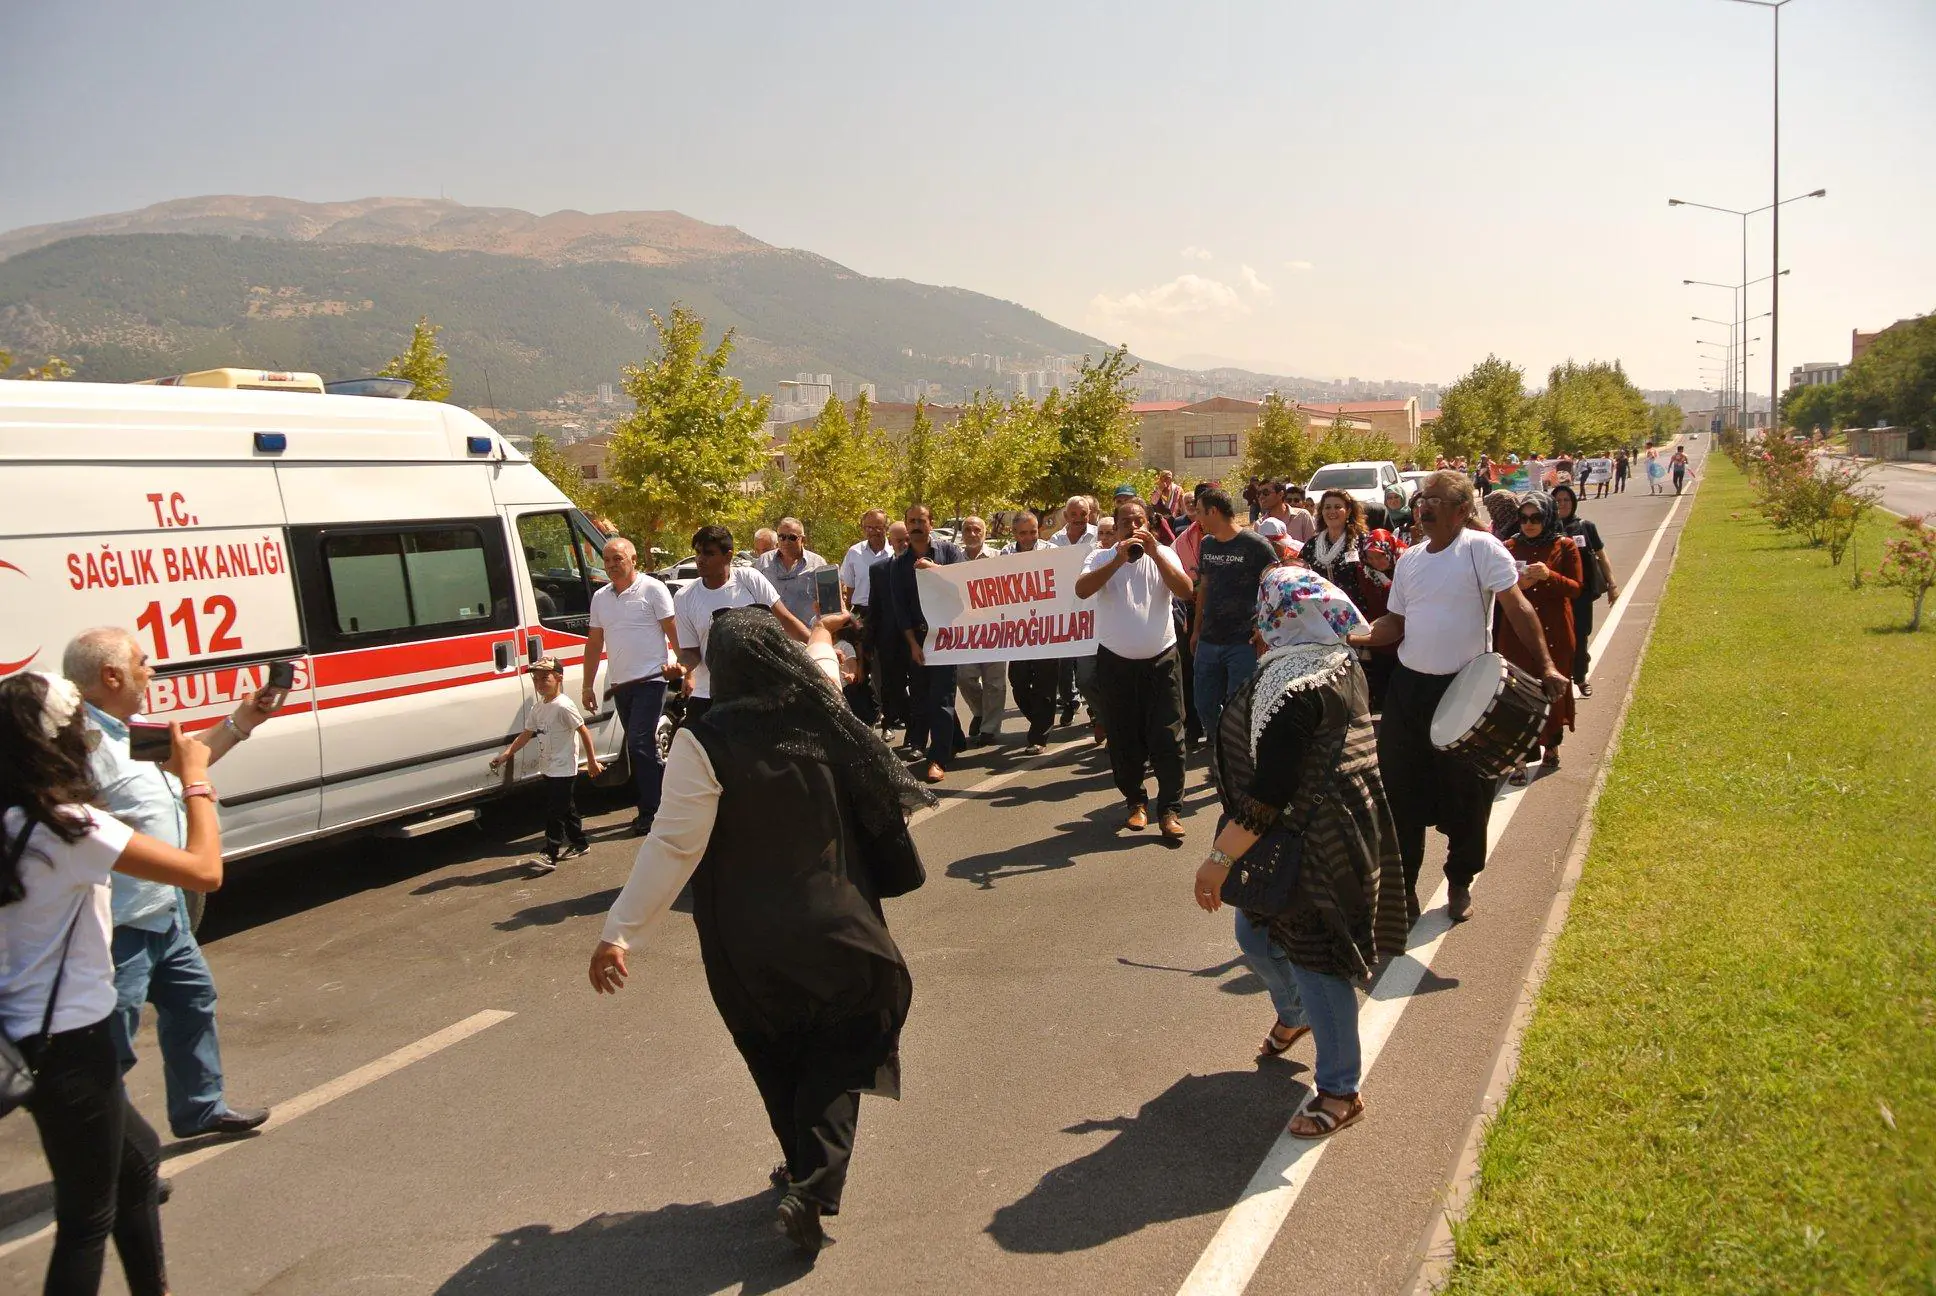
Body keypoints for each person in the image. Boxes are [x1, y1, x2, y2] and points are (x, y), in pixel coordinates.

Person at [588, 610, 931, 1257]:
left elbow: (672, 845)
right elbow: (826, 664)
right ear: (782, 656)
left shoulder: (704, 741)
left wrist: (620, 931)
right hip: (835, 919)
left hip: (744, 938)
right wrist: (825, 632)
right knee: (840, 1042)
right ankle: (812, 1183)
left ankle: (801, 1173)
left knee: (777, 1052)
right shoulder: (822, 715)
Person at [2, 671, 224, 1296]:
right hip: (72, 1041)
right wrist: (196, 782)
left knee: (137, 1162)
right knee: (86, 1218)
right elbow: (204, 872)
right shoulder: (67, 825)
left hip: (27, 1036)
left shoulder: (14, 815)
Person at [1191, 571, 1408, 1138]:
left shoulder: (1299, 684)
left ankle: (1340, 1091)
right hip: (1316, 829)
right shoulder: (1330, 660)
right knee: (1254, 935)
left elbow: (1271, 790)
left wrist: (1218, 860)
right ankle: (1295, 1016)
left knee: (1318, 959)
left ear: (1278, 614)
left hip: (1314, 839)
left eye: (1265, 609)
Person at [65, 627, 272, 1142]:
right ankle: (112, 1155)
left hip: (166, 913)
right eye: (143, 662)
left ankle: (200, 1107)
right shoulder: (82, 745)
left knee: (194, 1003)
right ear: (111, 675)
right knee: (111, 1044)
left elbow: (188, 757)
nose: (152, 671)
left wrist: (245, 718)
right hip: (120, 927)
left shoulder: (125, 728)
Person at [1347, 471, 1571, 923]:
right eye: (1421, 499)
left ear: (1463, 509)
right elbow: (1396, 622)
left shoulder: (1480, 549)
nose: (1423, 507)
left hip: (1468, 692)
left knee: (1469, 797)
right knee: (1400, 794)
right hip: (1410, 692)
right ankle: (1404, 890)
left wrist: (1546, 666)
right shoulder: (1409, 560)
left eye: (1435, 499)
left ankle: (1459, 880)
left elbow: (1518, 606)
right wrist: (1358, 634)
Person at [1075, 497, 1194, 840]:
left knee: (1168, 737)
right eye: (1125, 523)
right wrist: (1117, 559)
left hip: (1161, 659)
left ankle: (1170, 810)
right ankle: (1135, 803)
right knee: (1124, 738)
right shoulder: (1101, 556)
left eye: (1138, 521)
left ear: (1149, 523)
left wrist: (1155, 553)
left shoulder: (1164, 553)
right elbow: (1082, 590)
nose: (1132, 527)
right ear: (1114, 528)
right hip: (1116, 662)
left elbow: (1186, 591)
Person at [583, 536, 683, 835]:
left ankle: (650, 812)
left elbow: (673, 630)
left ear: (633, 559)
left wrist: (685, 667)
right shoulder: (601, 597)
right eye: (608, 560)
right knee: (643, 748)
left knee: (639, 742)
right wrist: (588, 685)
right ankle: (672, 800)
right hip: (621, 684)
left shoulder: (653, 589)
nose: (612, 565)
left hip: (651, 680)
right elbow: (594, 642)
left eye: (618, 558)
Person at [674, 525, 808, 728]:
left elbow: (785, 620)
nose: (700, 559)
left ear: (728, 556)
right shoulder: (684, 597)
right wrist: (682, 667)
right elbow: (691, 652)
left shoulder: (749, 579)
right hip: (709, 698)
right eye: (698, 552)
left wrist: (819, 644)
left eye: (709, 553)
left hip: (757, 694)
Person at [491, 658, 603, 872]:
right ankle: (580, 843)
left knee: (555, 811)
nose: (540, 683)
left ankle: (550, 853)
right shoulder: (538, 708)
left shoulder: (564, 705)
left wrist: (591, 761)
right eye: (536, 679)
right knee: (566, 807)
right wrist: (507, 754)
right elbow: (526, 735)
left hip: (564, 768)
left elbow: (583, 731)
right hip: (549, 767)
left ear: (559, 678)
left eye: (545, 678)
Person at [1500, 491, 1581, 783]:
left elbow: (1575, 588)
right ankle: (1520, 761)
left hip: (1556, 631)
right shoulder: (1508, 547)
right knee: (1519, 693)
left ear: (1547, 516)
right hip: (1517, 634)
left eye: (1535, 518)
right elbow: (1498, 590)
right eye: (1523, 518)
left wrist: (1550, 576)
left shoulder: (1565, 545)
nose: (1529, 524)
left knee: (1553, 691)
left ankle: (1552, 746)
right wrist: (1517, 583)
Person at [1191, 486, 1277, 749]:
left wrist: (1264, 628)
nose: (1197, 519)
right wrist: (1196, 630)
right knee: (1203, 703)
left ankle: (1237, 755)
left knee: (1238, 706)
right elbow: (1203, 588)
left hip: (1244, 642)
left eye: (1199, 512)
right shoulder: (1206, 544)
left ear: (1213, 511)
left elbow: (1275, 587)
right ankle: (1222, 746)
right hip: (1209, 639)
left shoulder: (1256, 545)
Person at [890, 506, 966, 783]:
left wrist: (933, 569)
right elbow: (901, 610)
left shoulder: (948, 553)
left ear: (931, 524)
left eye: (922, 520)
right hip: (919, 639)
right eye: (912, 521)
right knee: (923, 697)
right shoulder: (898, 565)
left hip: (947, 635)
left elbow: (964, 585)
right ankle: (956, 740)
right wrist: (912, 644)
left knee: (941, 698)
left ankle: (937, 758)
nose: (917, 525)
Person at [1551, 485, 1619, 696]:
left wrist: (1612, 585)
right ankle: (1558, 679)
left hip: (1581, 594)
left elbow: (1601, 555)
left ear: (1573, 503)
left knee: (1581, 637)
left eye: (1566, 500)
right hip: (1556, 594)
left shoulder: (1585, 527)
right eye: (1557, 501)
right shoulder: (1545, 528)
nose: (1562, 504)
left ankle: (1580, 677)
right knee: (1556, 637)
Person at [1046, 497, 1104, 738]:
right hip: (1064, 609)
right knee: (1064, 667)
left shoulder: (1099, 536)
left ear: (1090, 514)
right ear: (1065, 516)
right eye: (1074, 514)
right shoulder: (1054, 541)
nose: (1079, 519)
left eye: (1084, 514)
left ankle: (1099, 713)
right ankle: (1072, 702)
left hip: (1094, 610)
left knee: (1087, 674)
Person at [1002, 511, 1058, 754]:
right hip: (1018, 631)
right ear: (1014, 533)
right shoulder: (1004, 555)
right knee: (1019, 681)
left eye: (1032, 532)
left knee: (1046, 684)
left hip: (1046, 628)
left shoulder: (1052, 551)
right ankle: (1038, 719)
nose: (1028, 537)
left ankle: (1038, 736)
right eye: (1023, 532)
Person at [953, 516, 1008, 747]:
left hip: (996, 627)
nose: (973, 534)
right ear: (962, 533)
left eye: (978, 529)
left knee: (995, 682)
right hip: (965, 630)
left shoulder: (999, 557)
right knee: (964, 677)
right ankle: (980, 711)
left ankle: (989, 728)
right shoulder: (953, 558)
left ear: (985, 533)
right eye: (968, 529)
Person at [867, 522, 912, 738]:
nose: (903, 544)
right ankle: (889, 724)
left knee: (920, 687)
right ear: (890, 541)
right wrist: (868, 642)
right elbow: (874, 606)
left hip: (917, 638)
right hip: (888, 638)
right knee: (891, 686)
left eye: (906, 539)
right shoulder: (879, 569)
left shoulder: (921, 566)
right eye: (898, 540)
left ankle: (915, 733)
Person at [1355, 528, 1405, 711]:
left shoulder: (1405, 568)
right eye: (1371, 557)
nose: (1376, 562)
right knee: (1382, 678)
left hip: (1404, 634)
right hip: (1379, 635)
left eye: (1381, 556)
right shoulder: (1364, 572)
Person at [756, 518, 830, 627]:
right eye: (782, 537)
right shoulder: (763, 561)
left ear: (803, 540)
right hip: (770, 633)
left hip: (806, 635)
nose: (786, 542)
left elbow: (829, 604)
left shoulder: (818, 563)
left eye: (792, 538)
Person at [1302, 490, 1371, 597]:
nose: (1332, 511)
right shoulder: (1312, 545)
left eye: (1338, 507)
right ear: (1322, 512)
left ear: (1348, 511)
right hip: (1319, 608)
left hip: (1356, 608)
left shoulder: (1362, 541)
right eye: (1327, 507)